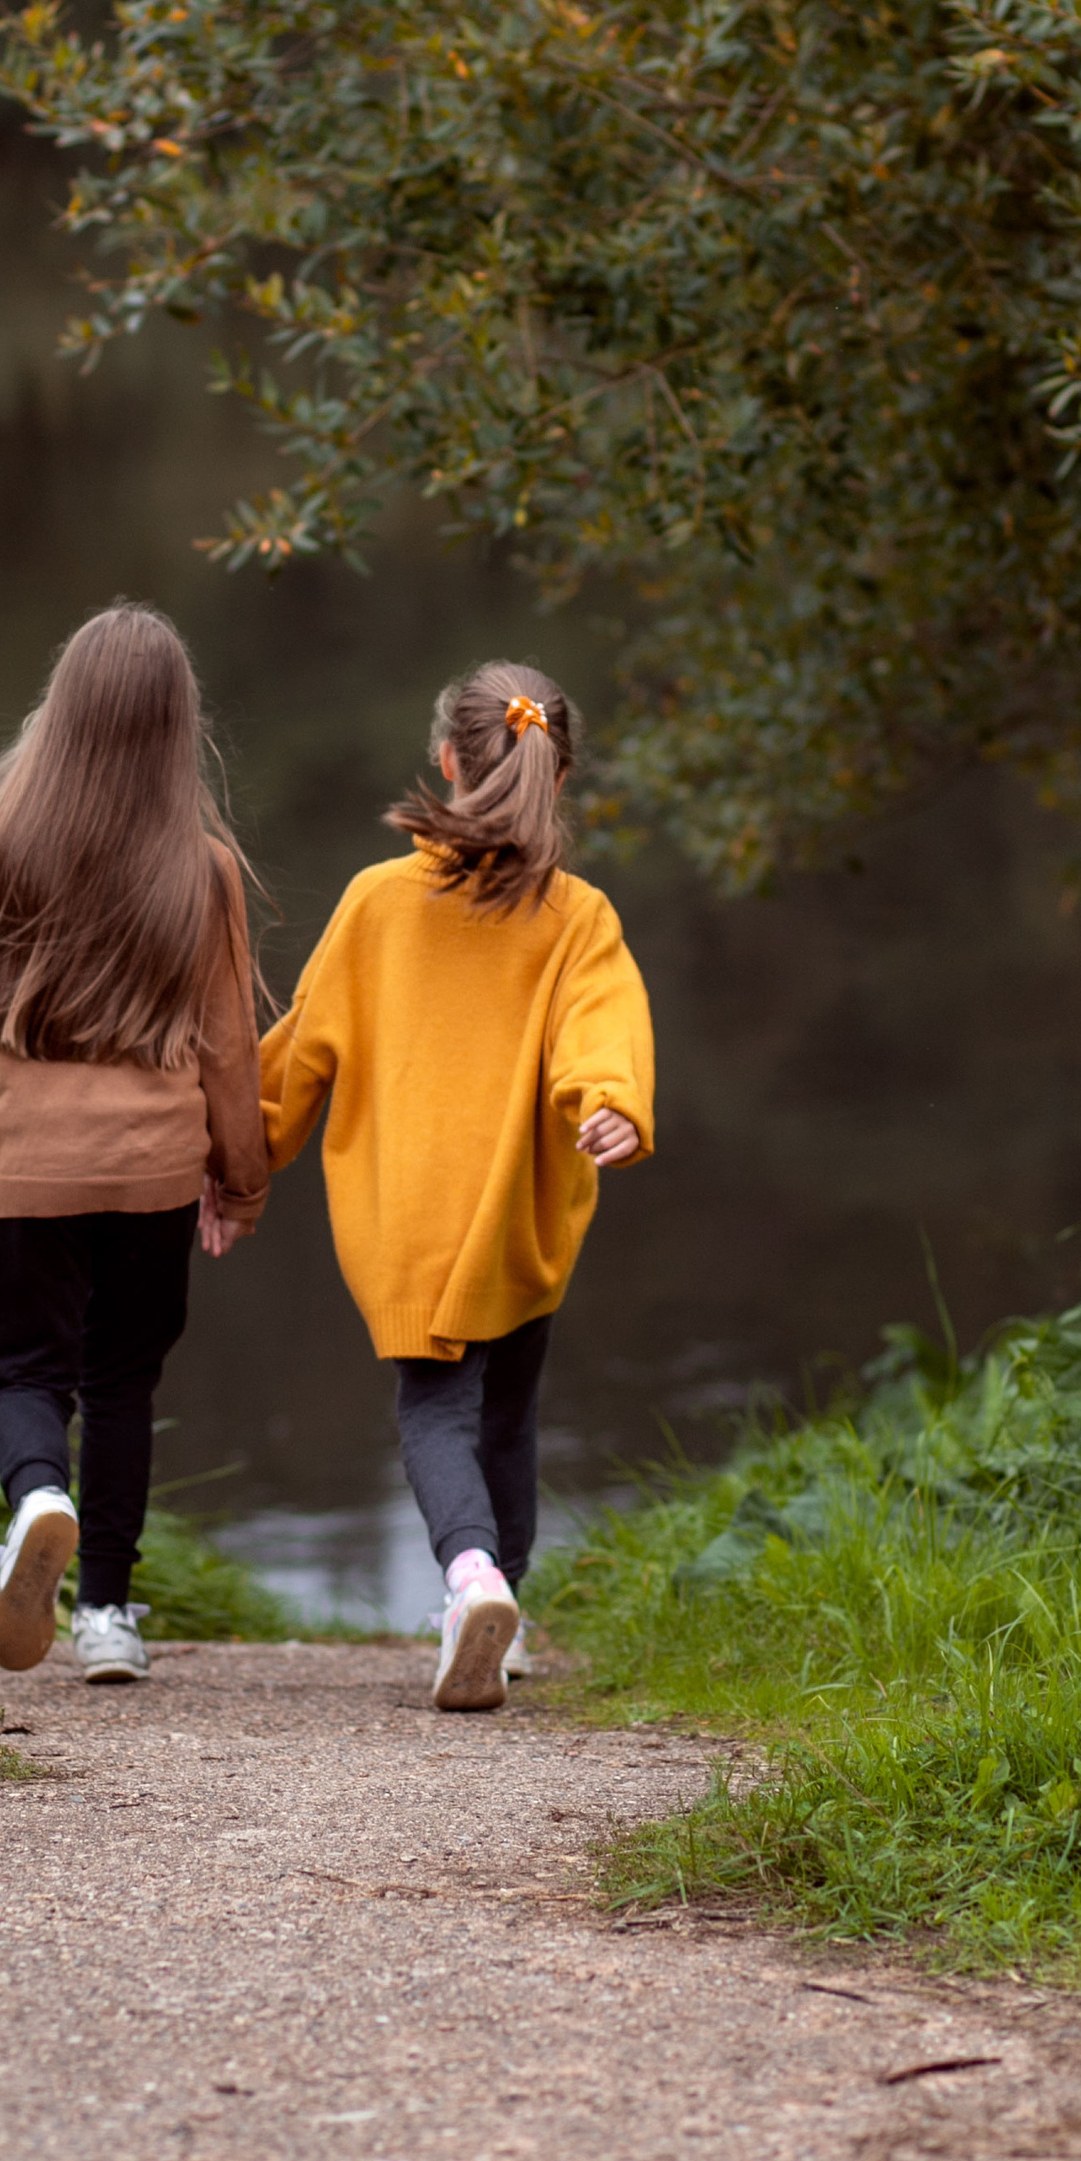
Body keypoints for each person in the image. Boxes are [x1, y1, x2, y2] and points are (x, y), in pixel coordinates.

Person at [0, 604, 267, 1684]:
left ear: (59, 713)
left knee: (24, 1371)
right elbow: (228, 1048)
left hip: (33, 1170)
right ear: (177, 726)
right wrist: (241, 1180)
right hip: (157, 1175)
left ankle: (37, 1498)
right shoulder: (204, 870)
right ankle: (108, 1616)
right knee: (121, 1384)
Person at [251, 661, 653, 1711]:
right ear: (555, 776)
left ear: (444, 760)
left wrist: (242, 1155)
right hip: (519, 1214)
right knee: (507, 1413)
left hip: (408, 1214)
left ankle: (470, 1577)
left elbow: (300, 1056)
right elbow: (599, 1035)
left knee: (435, 1411)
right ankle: (498, 1606)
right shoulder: (580, 916)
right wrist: (608, 1101)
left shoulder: (376, 901)